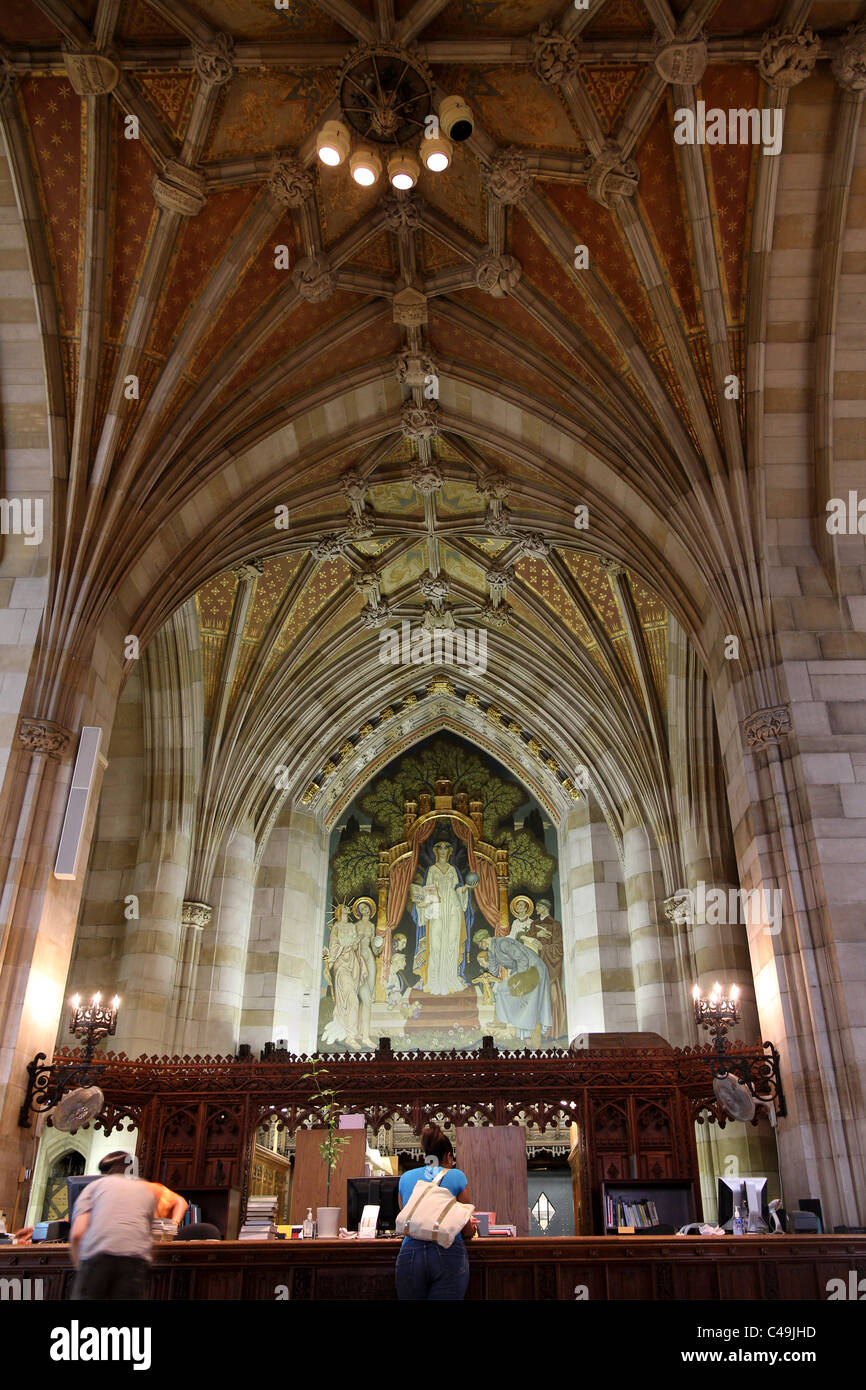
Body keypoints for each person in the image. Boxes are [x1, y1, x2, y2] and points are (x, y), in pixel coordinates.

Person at [396, 1121, 476, 1301]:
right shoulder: (456, 1176)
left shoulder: (406, 1177)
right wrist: (472, 1228)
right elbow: (465, 1227)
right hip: (447, 1252)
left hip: (410, 1252)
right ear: (448, 1156)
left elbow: (408, 1215)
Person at [69, 1151, 159, 1300]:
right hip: (135, 1260)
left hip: (98, 1256)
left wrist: (79, 1264)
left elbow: (77, 1234)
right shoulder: (146, 1191)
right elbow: (150, 1236)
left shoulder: (94, 1187)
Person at [414, 841, 471, 995]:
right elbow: (427, 891)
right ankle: (434, 981)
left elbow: (458, 891)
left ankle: (450, 978)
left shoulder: (453, 869)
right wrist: (421, 902)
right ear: (436, 851)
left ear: (450, 851)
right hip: (436, 908)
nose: (443, 851)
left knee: (452, 942)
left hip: (453, 907)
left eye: (447, 848)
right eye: (440, 848)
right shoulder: (432, 870)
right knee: (436, 944)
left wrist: (465, 889)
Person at [474, 929, 552, 1041]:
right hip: (522, 969)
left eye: (479, 943)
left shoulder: (503, 943)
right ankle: (506, 1023)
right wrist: (487, 989)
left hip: (533, 967)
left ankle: (529, 1032)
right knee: (501, 989)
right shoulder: (491, 951)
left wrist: (520, 979)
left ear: (484, 939)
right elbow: (493, 971)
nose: (479, 946)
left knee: (525, 997)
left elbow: (521, 958)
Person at [526, 899, 566, 1040]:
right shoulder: (534, 925)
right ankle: (536, 1032)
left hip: (550, 967)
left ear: (546, 908)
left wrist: (543, 948)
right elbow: (526, 941)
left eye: (538, 906)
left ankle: (551, 1030)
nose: (536, 908)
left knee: (552, 996)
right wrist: (537, 935)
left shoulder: (555, 925)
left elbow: (559, 948)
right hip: (535, 966)